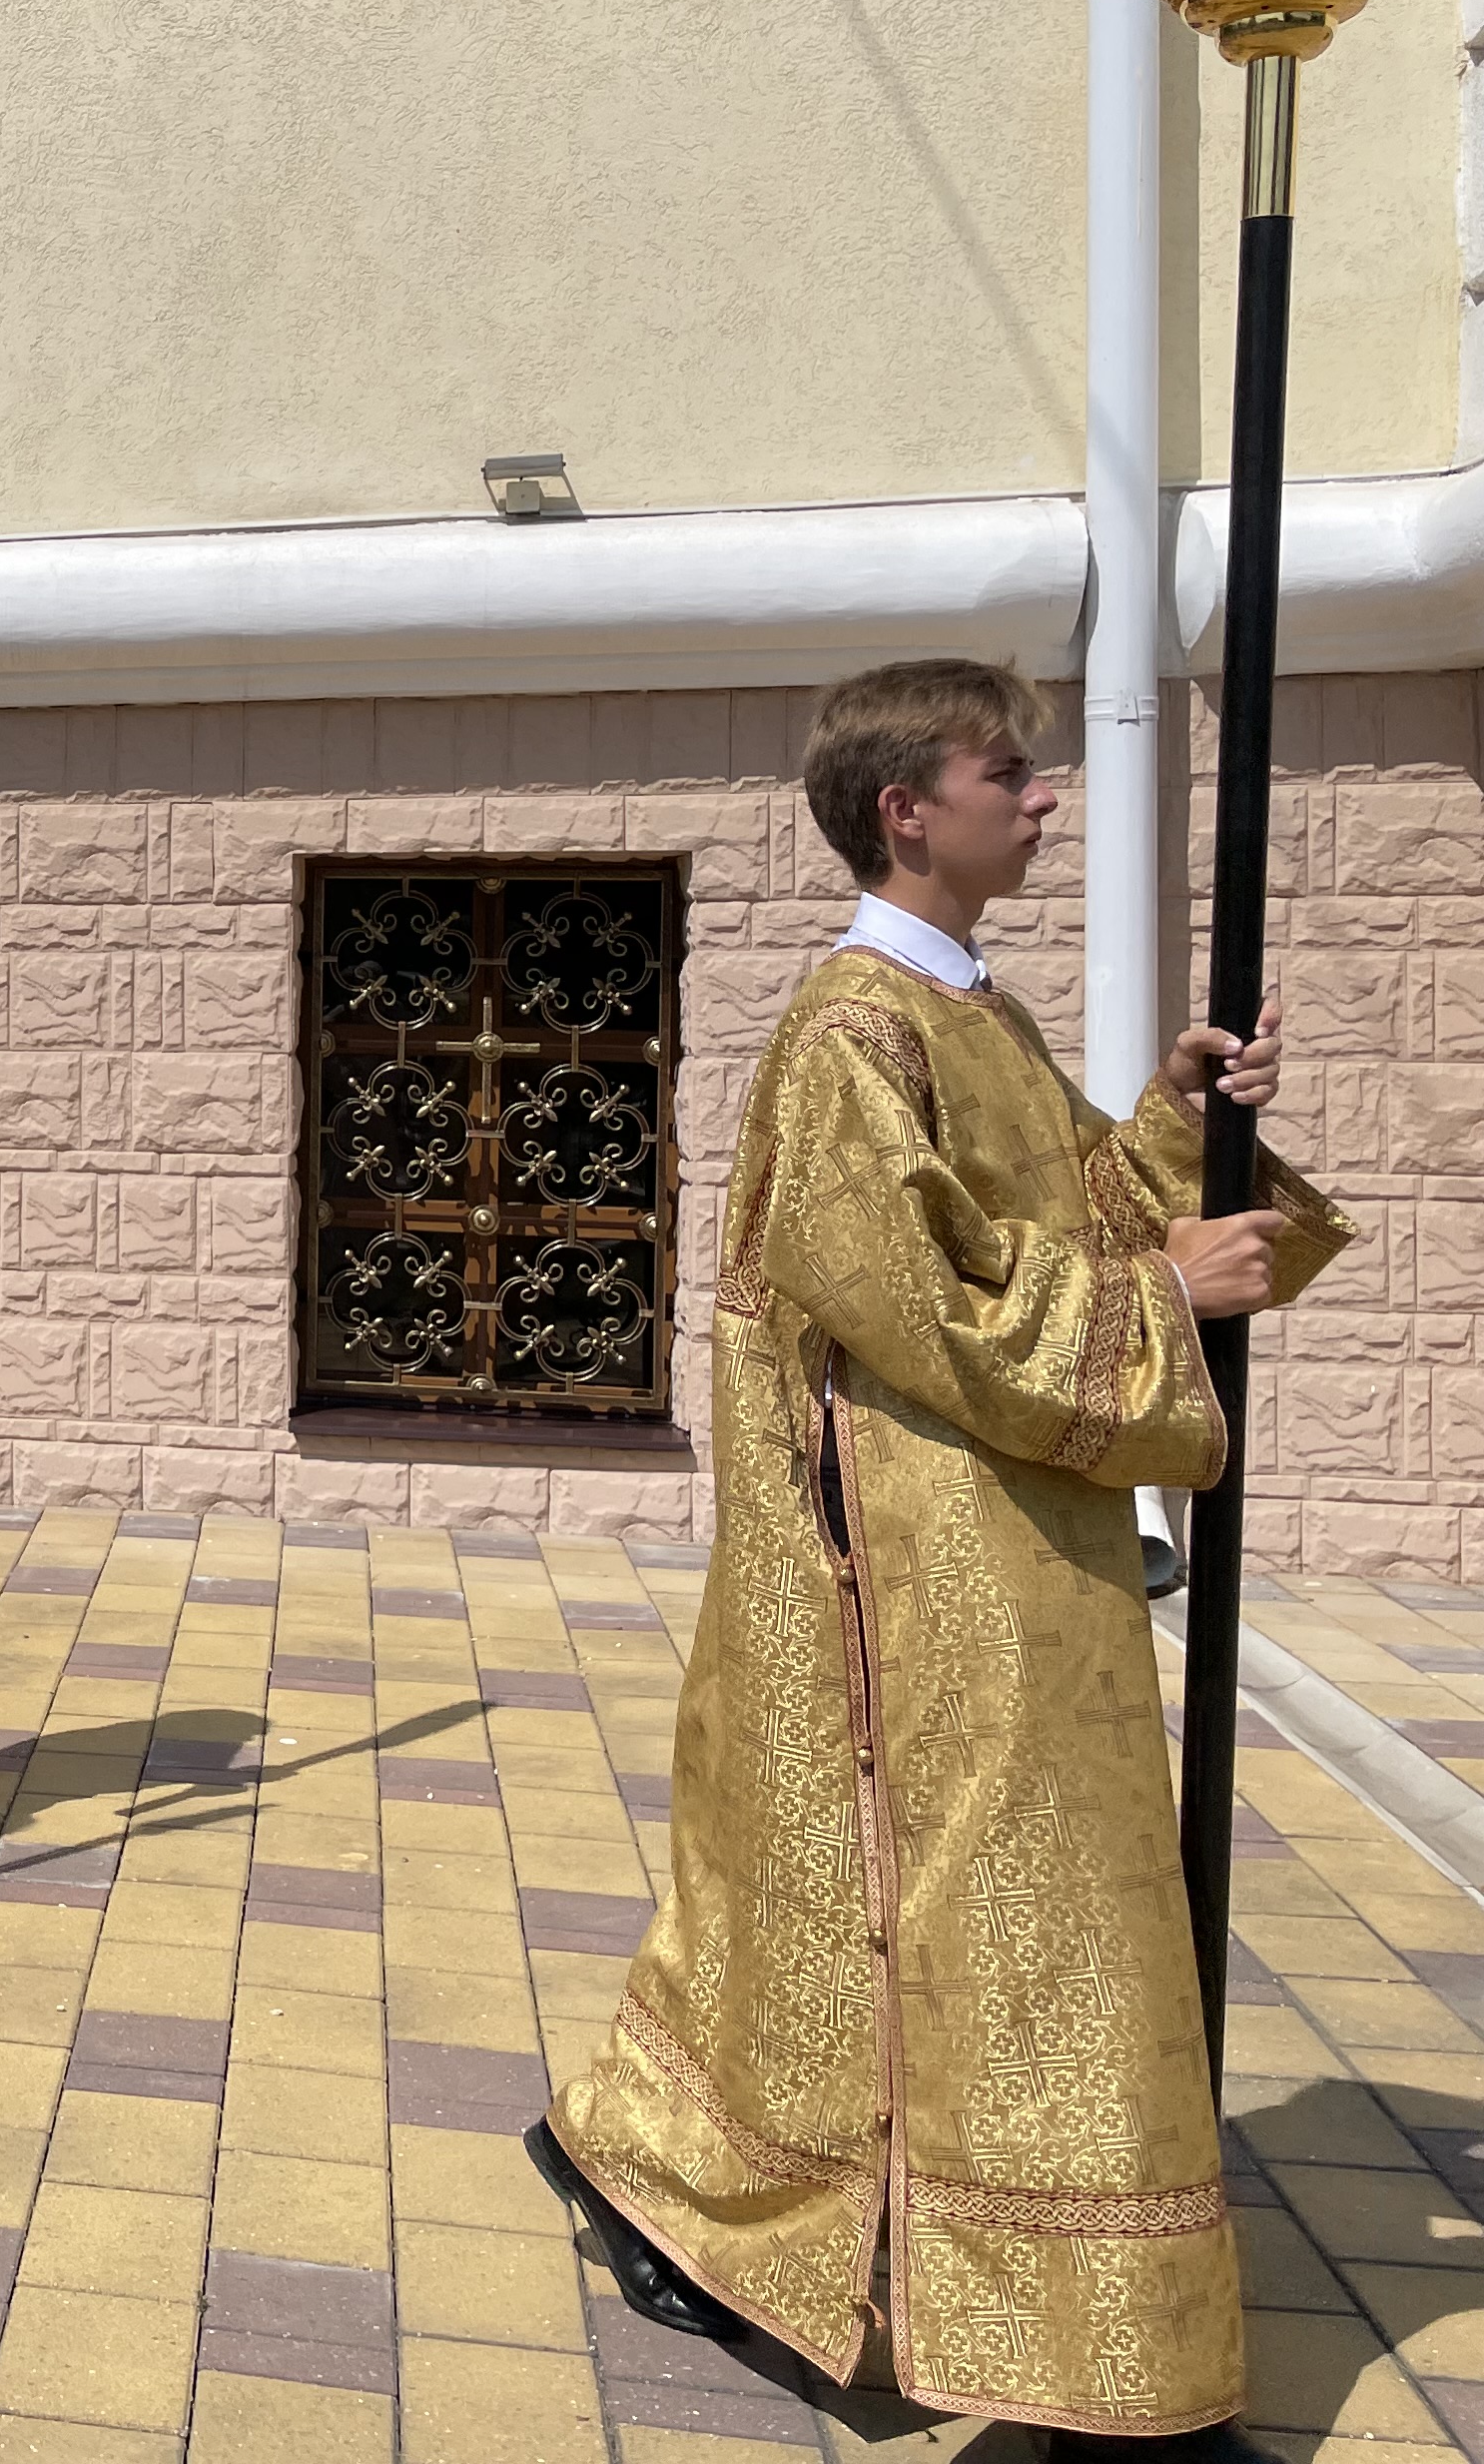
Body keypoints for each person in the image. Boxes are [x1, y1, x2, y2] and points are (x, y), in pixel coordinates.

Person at [532, 662, 1345, 2464]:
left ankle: (873, 2244)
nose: (1041, 799)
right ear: (905, 806)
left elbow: (1042, 1223)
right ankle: (1082, 2358)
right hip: (915, 1580)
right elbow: (914, 1305)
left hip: (1013, 1554)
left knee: (1008, 1934)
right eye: (1007, 771)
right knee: (1022, 1936)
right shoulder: (852, 1030)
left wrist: (1167, 1118)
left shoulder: (969, 1010)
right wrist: (1158, 1299)